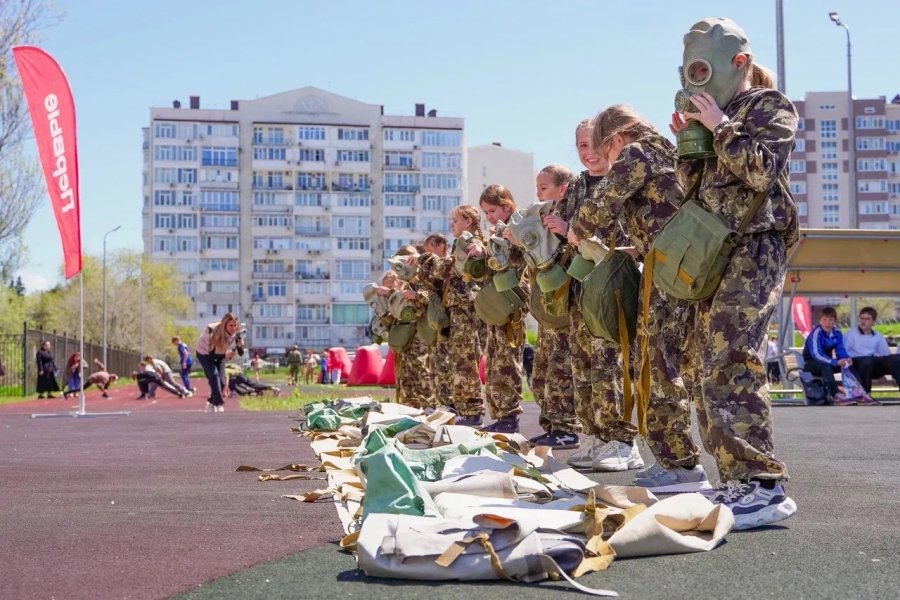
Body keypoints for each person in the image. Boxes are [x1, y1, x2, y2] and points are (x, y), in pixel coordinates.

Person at [668, 17, 797, 529]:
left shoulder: (769, 106)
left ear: (738, 63)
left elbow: (762, 171)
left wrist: (720, 125)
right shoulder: (716, 117)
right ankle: (735, 478)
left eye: (704, 69)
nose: (697, 79)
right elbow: (694, 191)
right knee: (705, 362)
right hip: (713, 248)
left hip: (755, 244)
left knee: (733, 355)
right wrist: (689, 144)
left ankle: (762, 484)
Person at [570, 105, 710, 492]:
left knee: (659, 367)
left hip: (666, 273)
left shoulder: (636, 152)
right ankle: (679, 461)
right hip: (683, 265)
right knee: (674, 365)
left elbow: (598, 209)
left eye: (606, 150)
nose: (607, 158)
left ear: (616, 139)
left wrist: (576, 229)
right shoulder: (666, 148)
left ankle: (681, 465)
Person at [544, 119, 634, 469]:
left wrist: (572, 230)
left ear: (611, 142)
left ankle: (623, 443)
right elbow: (563, 232)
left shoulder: (625, 177)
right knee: (583, 365)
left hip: (612, 284)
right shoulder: (578, 185)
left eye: (595, 143)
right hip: (580, 288)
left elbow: (629, 233)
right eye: (582, 145)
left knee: (611, 364)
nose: (589, 152)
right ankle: (597, 437)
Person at [414, 205, 486, 424]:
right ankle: (464, 409)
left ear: (468, 221)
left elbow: (452, 268)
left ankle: (472, 411)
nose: (451, 225)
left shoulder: (470, 242)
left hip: (465, 307)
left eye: (455, 220)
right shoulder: (463, 242)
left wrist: (426, 260)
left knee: (465, 360)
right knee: (458, 360)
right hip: (457, 307)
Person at [525, 164, 579, 449]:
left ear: (563, 189)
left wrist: (565, 230)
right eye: (537, 188)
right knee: (542, 372)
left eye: (544, 188)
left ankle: (565, 429)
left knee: (561, 370)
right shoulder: (543, 218)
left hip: (566, 303)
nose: (539, 194)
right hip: (548, 305)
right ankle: (552, 425)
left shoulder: (572, 216)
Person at [468, 184, 528, 433]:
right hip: (497, 304)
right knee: (495, 361)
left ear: (507, 205)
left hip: (510, 304)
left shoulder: (518, 227)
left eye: (492, 211)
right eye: (486, 213)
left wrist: (502, 242)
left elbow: (519, 263)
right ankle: (502, 415)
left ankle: (509, 417)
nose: (489, 217)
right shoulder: (499, 231)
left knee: (507, 362)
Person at [195, 312, 246, 412]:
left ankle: (211, 402)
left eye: (235, 325)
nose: (233, 328)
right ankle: (219, 403)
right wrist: (226, 354)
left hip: (220, 355)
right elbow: (211, 354)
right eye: (230, 325)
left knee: (222, 383)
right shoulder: (212, 330)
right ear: (224, 324)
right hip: (205, 353)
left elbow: (240, 353)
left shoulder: (237, 333)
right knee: (214, 376)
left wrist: (240, 346)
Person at [802, 307, 852, 404]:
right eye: (824, 319)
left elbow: (840, 349)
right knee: (825, 365)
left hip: (828, 363)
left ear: (834, 322)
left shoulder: (837, 333)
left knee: (851, 364)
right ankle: (836, 395)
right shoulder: (816, 333)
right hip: (811, 365)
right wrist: (835, 362)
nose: (827, 323)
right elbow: (817, 355)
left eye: (830, 320)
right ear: (820, 321)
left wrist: (845, 359)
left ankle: (858, 393)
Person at [845, 306, 900, 395]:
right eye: (861, 318)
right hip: (856, 365)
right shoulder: (851, 334)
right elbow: (843, 353)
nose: (863, 321)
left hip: (872, 365)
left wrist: (885, 373)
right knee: (865, 360)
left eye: (867, 319)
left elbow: (885, 355)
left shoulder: (878, 336)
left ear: (873, 322)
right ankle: (865, 395)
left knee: (897, 358)